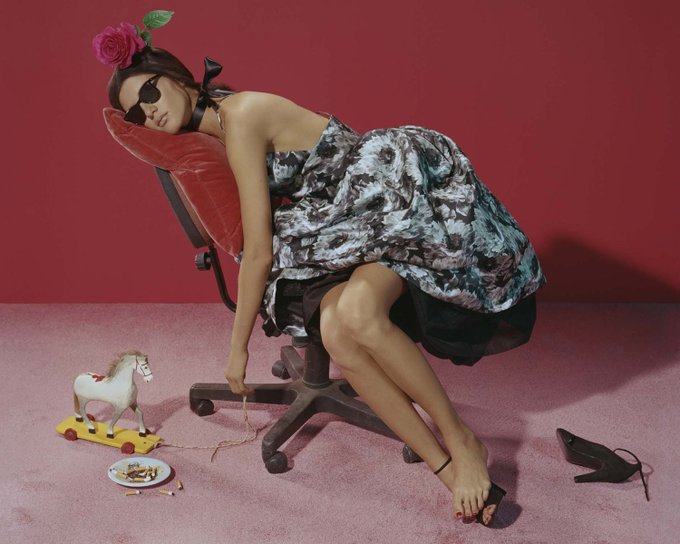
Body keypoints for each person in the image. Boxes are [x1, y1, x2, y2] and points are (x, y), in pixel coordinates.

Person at [99, 27, 546, 526]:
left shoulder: (239, 115)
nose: (150, 113)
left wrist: (237, 347)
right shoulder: (213, 129)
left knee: (356, 313)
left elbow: (259, 252)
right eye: (137, 114)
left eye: (150, 93)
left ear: (174, 76)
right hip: (343, 219)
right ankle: (445, 469)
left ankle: (461, 441)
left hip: (385, 191)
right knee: (336, 330)